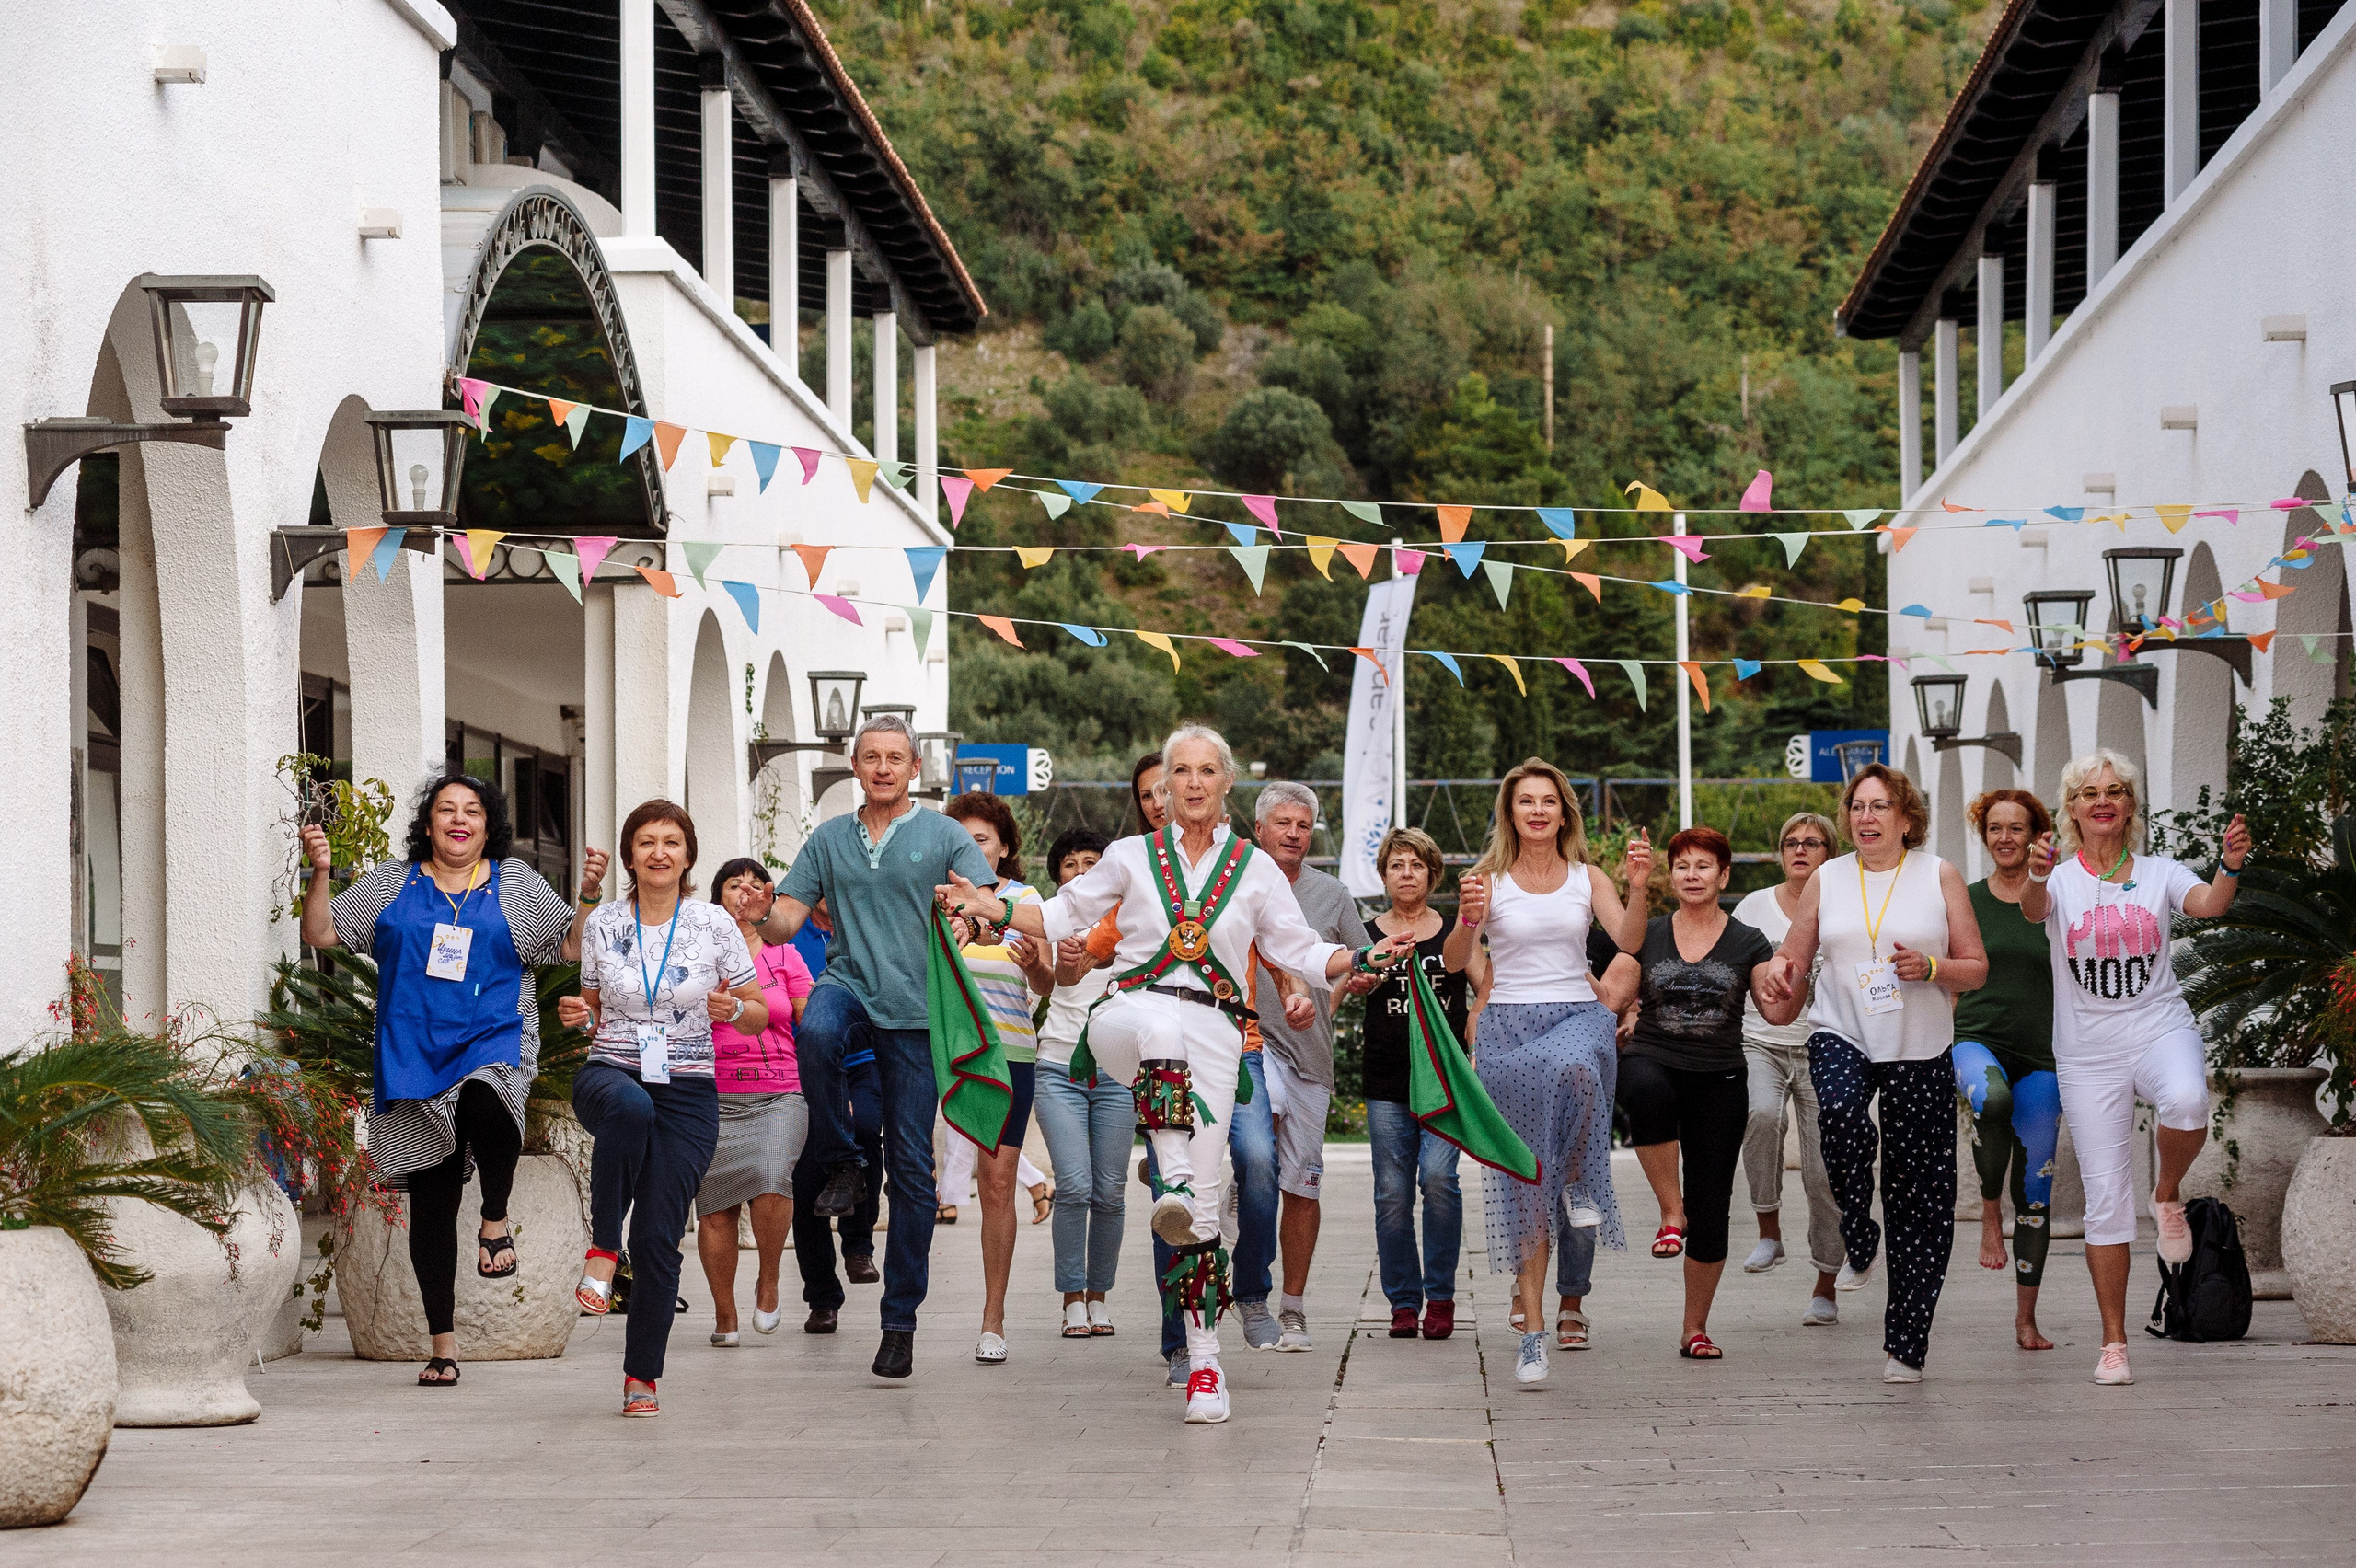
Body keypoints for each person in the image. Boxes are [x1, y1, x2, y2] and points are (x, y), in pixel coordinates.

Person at [937, 724, 1415, 1424]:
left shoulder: (1252, 868)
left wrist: (1363, 960)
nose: (1192, 784)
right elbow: (1058, 910)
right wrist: (991, 905)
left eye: (1205, 771)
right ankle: (1175, 1170)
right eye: (1179, 773)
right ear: (1165, 786)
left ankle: (1204, 1365)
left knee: (1199, 1214)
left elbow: (1302, 950)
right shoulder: (1131, 856)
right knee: (1161, 1040)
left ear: (1227, 783)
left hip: (1218, 1033)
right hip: (1126, 1016)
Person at [298, 774, 589, 1388]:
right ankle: (443, 1346)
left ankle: (495, 1219)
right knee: (431, 1205)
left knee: (491, 1098)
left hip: (493, 1034)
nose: (459, 819)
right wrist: (321, 870)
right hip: (411, 1052)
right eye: (446, 809)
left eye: (473, 811)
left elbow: (565, 946)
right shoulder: (390, 883)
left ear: (489, 824)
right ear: (428, 823)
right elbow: (323, 934)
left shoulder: (514, 883)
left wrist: (586, 894)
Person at [756, 715, 1000, 1379]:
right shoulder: (829, 839)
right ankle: (843, 1161)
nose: (884, 767)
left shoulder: (942, 833)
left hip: (919, 1011)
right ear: (855, 766)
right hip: (849, 984)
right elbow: (784, 923)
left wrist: (968, 907)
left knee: (915, 1168)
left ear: (913, 769)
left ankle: (900, 1322)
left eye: (896, 757)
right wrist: (758, 908)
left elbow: (986, 895)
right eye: (872, 757)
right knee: (815, 1030)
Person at [2019, 750, 2246, 1386]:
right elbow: (2034, 909)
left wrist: (2229, 866)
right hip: (2087, 1051)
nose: (2103, 800)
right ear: (2072, 809)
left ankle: (2168, 1191)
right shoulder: (2059, 880)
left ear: (2129, 806)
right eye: (2089, 792)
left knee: (2187, 1100)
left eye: (2115, 790)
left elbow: (2209, 905)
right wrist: (2037, 874)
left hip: (2157, 1025)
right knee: (2106, 1201)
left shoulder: (2158, 872)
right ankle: (2114, 1343)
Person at [1760, 764, 1988, 1384]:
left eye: (1880, 806)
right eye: (1857, 806)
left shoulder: (1938, 874)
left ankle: (1907, 1345)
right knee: (1837, 1117)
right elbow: (1795, 959)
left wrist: (1934, 967)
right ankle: (1858, 1230)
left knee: (1920, 1198)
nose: (1866, 817)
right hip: (1843, 1031)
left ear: (1906, 818)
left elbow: (1975, 967)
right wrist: (1781, 972)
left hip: (1920, 1045)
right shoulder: (1829, 879)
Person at [560, 801, 768, 1417]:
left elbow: (757, 1010)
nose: (659, 852)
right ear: (630, 855)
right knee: (629, 1108)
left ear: (688, 854)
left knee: (656, 1237)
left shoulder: (714, 925)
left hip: (688, 1091)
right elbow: (592, 1006)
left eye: (671, 842)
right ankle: (603, 1248)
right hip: (612, 1073)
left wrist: (737, 1012)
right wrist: (581, 1016)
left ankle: (641, 1378)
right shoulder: (603, 924)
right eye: (646, 842)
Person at [1444, 758, 1646, 1389]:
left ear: (1564, 813)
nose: (1537, 810)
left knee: (1579, 1070)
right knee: (1526, 1189)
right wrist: (1466, 918)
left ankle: (1582, 1182)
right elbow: (1456, 961)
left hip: (1575, 1014)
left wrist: (1639, 886)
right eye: (1525, 801)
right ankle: (1532, 1335)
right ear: (1510, 812)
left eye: (1548, 801)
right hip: (1507, 1031)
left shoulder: (1588, 877)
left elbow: (1629, 940)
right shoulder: (1487, 879)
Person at [1612, 826, 1796, 1359]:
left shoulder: (1747, 941)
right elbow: (1611, 994)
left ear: (1724, 875)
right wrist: (1571, 977)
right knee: (1645, 1090)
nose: (1693, 876)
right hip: (1653, 1057)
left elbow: (1775, 1008)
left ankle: (1695, 1327)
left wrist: (1790, 980)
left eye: (1704, 866)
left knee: (1713, 1209)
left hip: (1720, 1078)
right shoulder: (1648, 933)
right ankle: (1672, 1213)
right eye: (1683, 866)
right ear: (1672, 876)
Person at [1242, 781, 1375, 1355]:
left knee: (1302, 1184)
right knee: (1260, 1143)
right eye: (1283, 824)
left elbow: (1358, 959)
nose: (1294, 833)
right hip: (1248, 1041)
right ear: (1259, 830)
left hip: (1311, 1055)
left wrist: (1343, 990)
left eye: (1302, 825)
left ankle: (1291, 1306)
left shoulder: (1331, 893)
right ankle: (1242, 1186)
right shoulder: (1237, 884)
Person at [940, 792, 1057, 1365]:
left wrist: (1031, 958)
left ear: (1004, 846)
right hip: (940, 1053)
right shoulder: (931, 900)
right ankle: (899, 1314)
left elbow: (1046, 984)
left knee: (995, 1182)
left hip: (1008, 1054)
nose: (972, 848)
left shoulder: (1024, 901)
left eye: (982, 839)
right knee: (918, 1177)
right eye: (961, 839)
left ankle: (994, 1319)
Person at [1950, 790, 2065, 1351]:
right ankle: (1989, 1211)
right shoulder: (1966, 901)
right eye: (1994, 828)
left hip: (2044, 1053)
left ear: (2037, 834)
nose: (2004, 838)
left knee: (2038, 1191)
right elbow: (1950, 975)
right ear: (1984, 835)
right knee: (1992, 1102)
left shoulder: (2060, 898)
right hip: (1978, 1039)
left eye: (2016, 828)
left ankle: (2026, 1319)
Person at [1362, 827, 1485, 1340]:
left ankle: (1441, 1296)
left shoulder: (1454, 929)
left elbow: (1486, 985)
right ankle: (1403, 1303)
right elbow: (1346, 982)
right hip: (1386, 1079)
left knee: (1438, 1180)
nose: (1406, 873)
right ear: (1385, 875)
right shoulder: (1367, 930)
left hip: (1443, 1078)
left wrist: (1473, 1040)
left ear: (1432, 874)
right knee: (1392, 1194)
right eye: (1397, 865)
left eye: (1416, 865)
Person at [694, 859, 814, 1347]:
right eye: (732, 886)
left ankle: (769, 1278)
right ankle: (725, 1313)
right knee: (715, 1207)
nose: (743, 894)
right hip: (709, 1092)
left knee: (771, 1178)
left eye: (753, 886)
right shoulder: (694, 954)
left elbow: (812, 1022)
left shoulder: (785, 956)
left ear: (767, 898)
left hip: (781, 1089)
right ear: (717, 897)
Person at [1732, 813, 1843, 1324]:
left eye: (1812, 842)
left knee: (1825, 1173)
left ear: (1830, 852)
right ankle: (1769, 1231)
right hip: (1760, 1040)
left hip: (1826, 1044)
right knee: (1761, 1117)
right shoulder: (1755, 906)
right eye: (1790, 843)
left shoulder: (1846, 901)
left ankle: (1826, 1284)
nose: (1800, 850)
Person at [1035, 829, 1129, 1337]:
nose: (1079, 870)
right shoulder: (1049, 919)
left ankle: (1100, 1295)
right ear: (1057, 874)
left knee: (1110, 1192)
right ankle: (1072, 1297)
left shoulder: (1130, 919)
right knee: (1074, 1184)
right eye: (1069, 863)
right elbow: (1048, 984)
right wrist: (1036, 966)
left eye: (1091, 861)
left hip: (1117, 1070)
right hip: (1058, 1067)